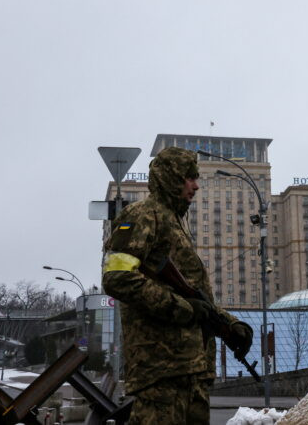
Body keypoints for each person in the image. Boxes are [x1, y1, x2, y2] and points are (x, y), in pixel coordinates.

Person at [102, 146, 253, 424]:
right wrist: (182, 308)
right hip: (162, 371)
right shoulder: (142, 215)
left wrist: (229, 324)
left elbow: (196, 297)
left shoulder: (175, 222)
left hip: (190, 370)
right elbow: (116, 278)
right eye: (189, 177)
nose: (195, 185)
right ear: (171, 178)